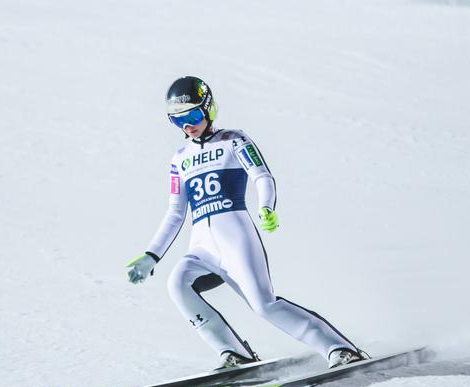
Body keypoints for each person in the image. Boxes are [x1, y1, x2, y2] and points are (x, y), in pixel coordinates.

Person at [125, 76, 364, 369]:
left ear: (209, 109)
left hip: (236, 238)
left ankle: (340, 349)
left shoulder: (233, 140)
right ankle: (233, 352)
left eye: (193, 115)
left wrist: (266, 207)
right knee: (177, 283)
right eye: (177, 121)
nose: (187, 125)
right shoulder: (180, 158)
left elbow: (262, 176)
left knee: (264, 305)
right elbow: (176, 211)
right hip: (202, 248)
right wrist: (151, 255)